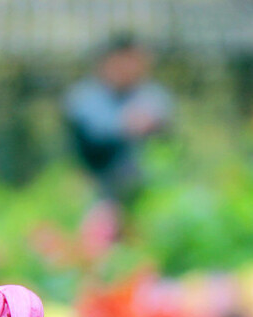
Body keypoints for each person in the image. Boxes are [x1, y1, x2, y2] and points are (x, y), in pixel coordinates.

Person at [64, 33, 172, 210]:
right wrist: (124, 126)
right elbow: (90, 142)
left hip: (149, 191)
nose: (129, 68)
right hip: (96, 188)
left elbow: (167, 140)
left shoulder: (154, 95)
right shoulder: (84, 98)